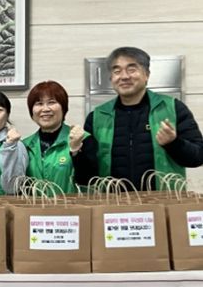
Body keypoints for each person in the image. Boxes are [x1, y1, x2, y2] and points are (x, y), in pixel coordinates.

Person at [84, 46, 203, 189]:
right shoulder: (97, 117)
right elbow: (87, 174)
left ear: (146, 74)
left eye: (131, 69)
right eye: (117, 71)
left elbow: (198, 157)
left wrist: (173, 143)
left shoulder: (172, 108)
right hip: (112, 201)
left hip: (164, 199)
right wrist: (76, 152)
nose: (124, 76)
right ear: (111, 78)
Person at [23, 81, 98, 194]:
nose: (45, 109)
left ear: (63, 108)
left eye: (51, 102)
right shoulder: (25, 145)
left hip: (73, 205)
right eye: (39, 103)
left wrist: (75, 150)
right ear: (32, 112)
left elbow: (89, 181)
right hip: (34, 206)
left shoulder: (84, 139)